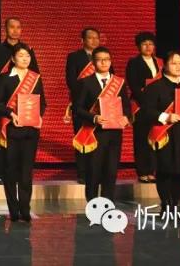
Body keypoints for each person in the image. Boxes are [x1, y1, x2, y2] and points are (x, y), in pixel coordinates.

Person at [142, 51, 180, 212]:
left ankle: (178, 206)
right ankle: (166, 206)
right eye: (173, 63)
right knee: (165, 170)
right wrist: (166, 116)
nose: (178, 66)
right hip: (165, 134)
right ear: (165, 65)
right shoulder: (155, 87)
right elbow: (146, 111)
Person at [0, 44, 45, 222]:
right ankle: (13, 209)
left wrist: (39, 116)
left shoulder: (35, 78)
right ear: (13, 59)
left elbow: (42, 102)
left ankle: (25, 208)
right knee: (10, 171)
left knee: (26, 172)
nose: (25, 59)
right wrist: (10, 114)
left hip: (31, 130)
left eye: (27, 56)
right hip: (11, 130)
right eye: (21, 55)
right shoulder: (5, 78)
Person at [72, 47, 130, 203]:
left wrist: (126, 117)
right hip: (94, 134)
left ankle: (107, 204)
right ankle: (92, 204)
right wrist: (94, 117)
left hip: (114, 134)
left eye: (107, 59)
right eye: (100, 59)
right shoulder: (85, 83)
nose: (104, 62)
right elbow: (77, 108)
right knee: (93, 171)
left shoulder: (119, 83)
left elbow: (126, 106)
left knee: (111, 171)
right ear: (93, 62)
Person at [64, 27, 102, 184]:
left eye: (96, 37)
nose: (94, 40)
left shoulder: (103, 56)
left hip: (100, 105)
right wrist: (83, 97)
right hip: (81, 105)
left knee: (99, 139)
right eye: (90, 37)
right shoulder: (74, 57)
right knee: (82, 137)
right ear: (82, 40)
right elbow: (71, 80)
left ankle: (97, 171)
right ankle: (82, 173)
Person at [126, 32, 161, 183]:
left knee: (155, 137)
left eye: (151, 44)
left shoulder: (160, 62)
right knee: (141, 138)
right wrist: (147, 101)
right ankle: (142, 171)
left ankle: (152, 170)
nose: (148, 47)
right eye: (144, 44)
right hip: (140, 106)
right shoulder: (133, 62)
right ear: (139, 46)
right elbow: (133, 85)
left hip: (157, 107)